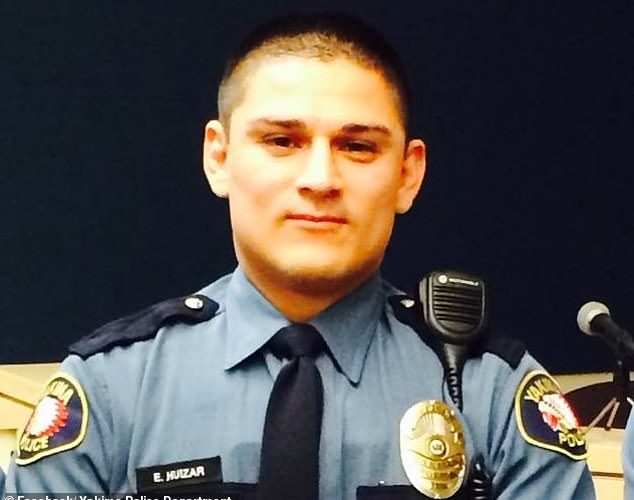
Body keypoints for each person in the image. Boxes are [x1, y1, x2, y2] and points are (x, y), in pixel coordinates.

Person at [5, 12, 595, 499]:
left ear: (407, 175)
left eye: (357, 146)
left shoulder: (493, 394)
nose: (319, 178)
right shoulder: (111, 391)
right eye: (281, 141)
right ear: (219, 158)